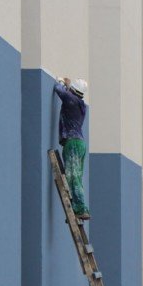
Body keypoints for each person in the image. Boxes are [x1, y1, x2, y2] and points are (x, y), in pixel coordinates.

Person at [54, 77, 90, 220]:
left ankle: (80, 208)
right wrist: (70, 86)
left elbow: (58, 89)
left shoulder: (71, 100)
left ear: (73, 91)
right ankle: (79, 206)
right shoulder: (80, 104)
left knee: (72, 176)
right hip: (80, 143)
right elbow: (69, 95)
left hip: (73, 143)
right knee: (77, 176)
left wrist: (62, 82)